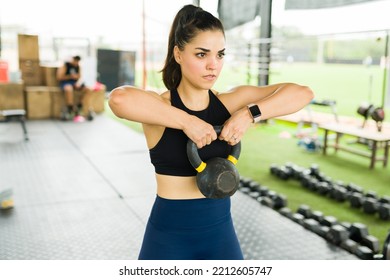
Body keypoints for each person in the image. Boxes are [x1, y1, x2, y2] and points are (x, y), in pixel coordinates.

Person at [108, 4, 314, 260]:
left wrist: (249, 114)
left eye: (220, 55)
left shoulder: (230, 103)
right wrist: (186, 122)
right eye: (202, 54)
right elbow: (119, 99)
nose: (213, 66)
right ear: (179, 54)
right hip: (169, 237)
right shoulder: (160, 108)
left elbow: (303, 93)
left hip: (220, 234)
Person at [56, 55, 89, 121]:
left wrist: (78, 83)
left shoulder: (78, 67)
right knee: (69, 88)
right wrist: (70, 76)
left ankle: (80, 106)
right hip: (65, 82)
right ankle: (70, 108)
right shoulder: (65, 65)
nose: (76, 62)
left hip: (75, 83)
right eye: (75, 60)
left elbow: (79, 77)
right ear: (72, 59)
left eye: (77, 61)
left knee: (88, 89)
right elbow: (59, 77)